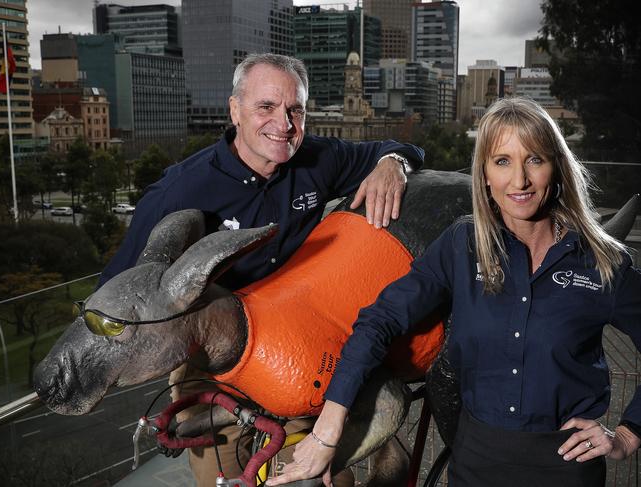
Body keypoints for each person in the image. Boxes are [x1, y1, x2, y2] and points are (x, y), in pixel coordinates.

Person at [267, 97, 641, 487]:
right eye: (502, 162)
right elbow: (379, 320)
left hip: (567, 470)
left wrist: (628, 435)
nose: (519, 181)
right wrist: (328, 428)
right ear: (484, 176)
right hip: (476, 464)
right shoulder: (462, 244)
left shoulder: (601, 262)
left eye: (535, 160)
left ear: (557, 169)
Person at [98, 53, 424, 485]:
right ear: (235, 110)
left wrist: (392, 165)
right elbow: (117, 292)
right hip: (214, 361)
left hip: (296, 347)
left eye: (295, 110)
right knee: (229, 476)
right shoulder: (179, 190)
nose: (283, 124)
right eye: (266, 107)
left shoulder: (315, 159)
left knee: (319, 476)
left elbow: (403, 149)